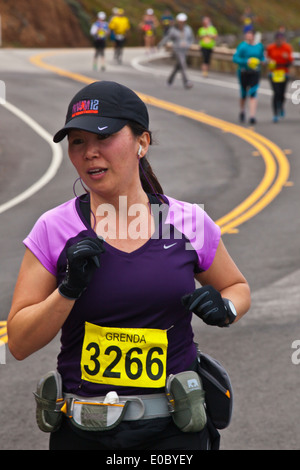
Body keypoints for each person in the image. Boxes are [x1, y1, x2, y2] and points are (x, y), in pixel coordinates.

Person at [7, 80, 251, 450]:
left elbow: (237, 287)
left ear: (142, 142)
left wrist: (227, 307)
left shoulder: (187, 222)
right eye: (77, 142)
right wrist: (68, 290)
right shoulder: (54, 229)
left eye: (102, 138)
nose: (89, 152)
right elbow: (20, 343)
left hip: (174, 431)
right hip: (83, 432)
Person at [233, 29, 265, 125]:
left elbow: (262, 57)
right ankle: (242, 110)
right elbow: (235, 58)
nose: (248, 36)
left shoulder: (259, 46)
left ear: (254, 36)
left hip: (255, 72)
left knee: (253, 93)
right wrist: (246, 61)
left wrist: (263, 61)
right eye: (247, 35)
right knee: (243, 93)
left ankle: (252, 116)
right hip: (244, 72)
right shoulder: (242, 46)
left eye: (250, 35)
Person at [158, 13, 195, 89]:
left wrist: (188, 44)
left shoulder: (188, 29)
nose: (181, 23)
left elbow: (191, 39)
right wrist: (160, 44)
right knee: (183, 64)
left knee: (178, 66)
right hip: (177, 50)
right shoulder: (174, 30)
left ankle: (169, 81)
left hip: (185, 50)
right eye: (180, 21)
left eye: (183, 21)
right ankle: (186, 82)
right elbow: (167, 37)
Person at [266, 31, 293, 123]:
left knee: (282, 94)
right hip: (273, 73)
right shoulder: (270, 48)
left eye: (281, 40)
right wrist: (270, 62)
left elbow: (290, 61)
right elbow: (267, 59)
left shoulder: (287, 48)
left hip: (283, 73)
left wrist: (286, 58)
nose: (279, 41)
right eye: (278, 40)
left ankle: (281, 106)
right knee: (276, 93)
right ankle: (275, 114)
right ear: (275, 40)